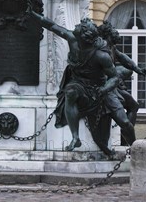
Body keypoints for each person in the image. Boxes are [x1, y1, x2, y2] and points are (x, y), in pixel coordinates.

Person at [27, 11, 136, 155]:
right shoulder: (72, 39)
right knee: (70, 92)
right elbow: (52, 25)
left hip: (100, 86)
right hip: (79, 83)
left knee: (125, 123)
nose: (76, 26)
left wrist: (104, 89)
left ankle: (137, 149)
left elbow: (114, 78)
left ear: (84, 36)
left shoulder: (101, 55)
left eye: (79, 26)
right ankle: (75, 137)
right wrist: (32, 14)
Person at [98, 20, 146, 126]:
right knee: (129, 110)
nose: (116, 32)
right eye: (113, 30)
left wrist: (136, 68)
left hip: (112, 85)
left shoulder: (111, 47)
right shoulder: (101, 49)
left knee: (134, 106)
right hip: (105, 87)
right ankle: (126, 135)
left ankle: (124, 137)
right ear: (108, 34)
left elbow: (122, 57)